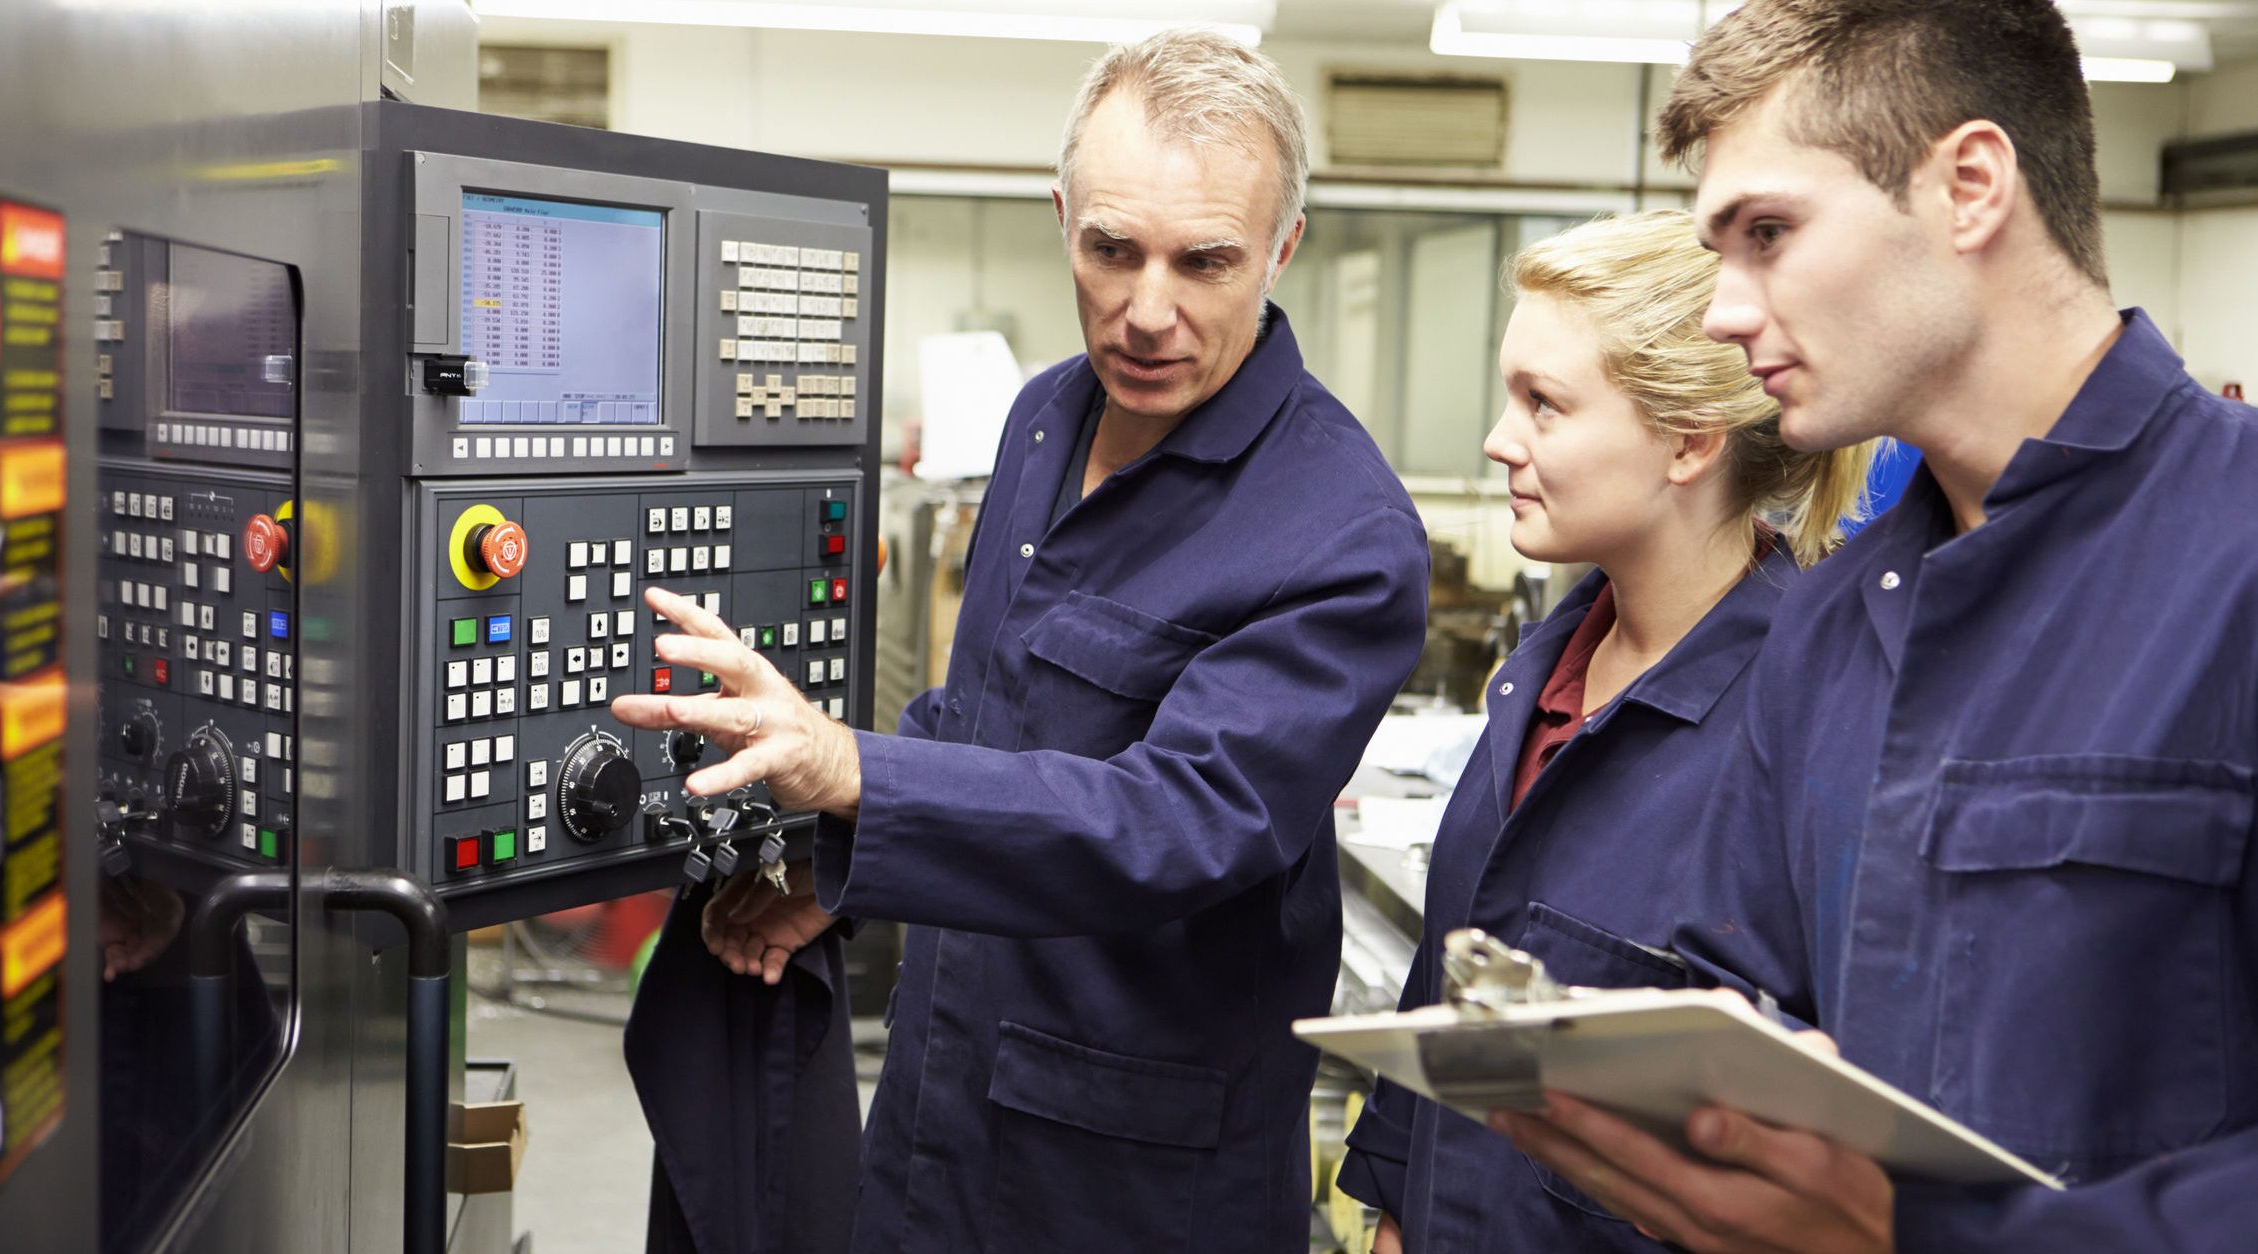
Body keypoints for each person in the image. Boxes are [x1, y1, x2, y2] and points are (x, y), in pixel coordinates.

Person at [614, 27, 1432, 1253]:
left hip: (1135, 1175)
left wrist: (848, 770)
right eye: (1111, 250)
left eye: (1203, 262)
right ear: (1063, 220)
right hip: (943, 1103)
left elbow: (1175, 822)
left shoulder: (1343, 533)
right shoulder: (1048, 419)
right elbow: (982, 714)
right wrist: (836, 877)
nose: (1146, 311)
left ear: (1282, 249)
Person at [1488, 3, 2258, 1251]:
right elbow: (1750, 1004)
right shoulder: (1830, 624)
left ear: (1968, 186)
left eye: (1770, 235)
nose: (1727, 314)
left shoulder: (2235, 552)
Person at [1334, 209, 1871, 1253]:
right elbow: (1445, 1034)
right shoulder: (1537, 682)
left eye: (1545, 405)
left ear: (1687, 439)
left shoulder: (1808, 726)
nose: (1500, 439)